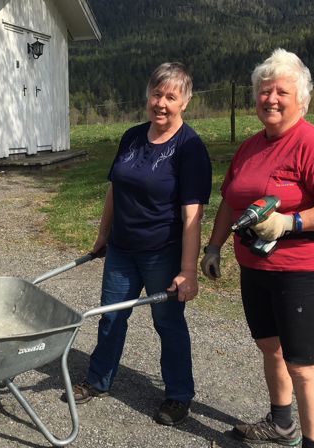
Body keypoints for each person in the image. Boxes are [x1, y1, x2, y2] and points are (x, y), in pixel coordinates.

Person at [201, 49, 314, 448]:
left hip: (304, 270)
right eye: (264, 91)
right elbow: (231, 200)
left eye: (281, 92)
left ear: (302, 99)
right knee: (270, 348)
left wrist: (292, 222)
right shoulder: (251, 146)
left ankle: (313, 443)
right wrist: (214, 246)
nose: (270, 99)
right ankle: (281, 424)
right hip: (256, 267)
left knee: (304, 365)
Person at [70, 62, 212, 426]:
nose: (161, 103)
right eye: (156, 94)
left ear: (185, 102)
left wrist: (188, 269)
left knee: (168, 324)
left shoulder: (190, 147)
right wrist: (103, 235)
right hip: (121, 249)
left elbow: (192, 214)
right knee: (110, 316)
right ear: (148, 96)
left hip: (162, 252)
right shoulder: (132, 137)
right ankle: (99, 380)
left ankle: (179, 395)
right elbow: (115, 189)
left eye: (171, 96)